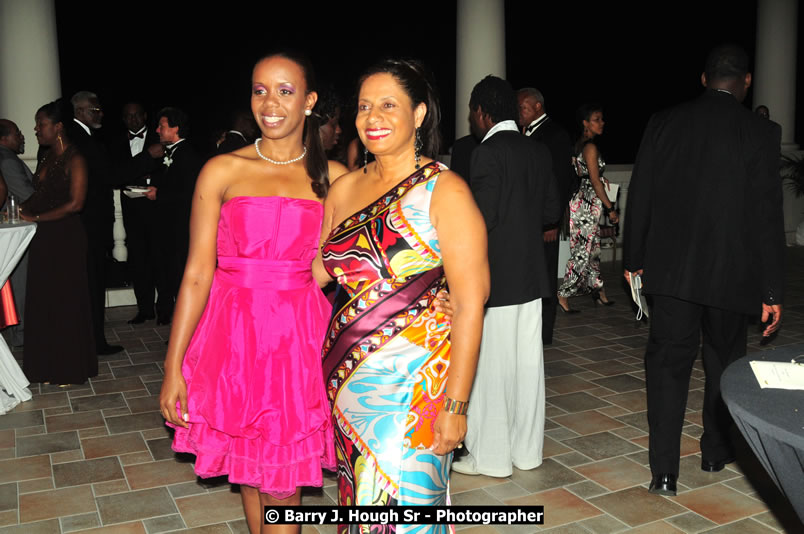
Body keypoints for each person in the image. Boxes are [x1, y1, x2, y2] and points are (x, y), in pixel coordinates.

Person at [158, 51, 348, 534]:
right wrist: (173, 365)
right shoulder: (221, 171)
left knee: (282, 479)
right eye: (260, 90)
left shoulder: (338, 179)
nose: (271, 103)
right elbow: (198, 272)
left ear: (309, 102)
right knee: (249, 462)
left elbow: (380, 253)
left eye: (286, 91)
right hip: (232, 336)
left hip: (296, 342)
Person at [319, 59, 489, 533]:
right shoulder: (345, 187)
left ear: (418, 114)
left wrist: (456, 407)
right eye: (364, 107)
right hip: (349, 381)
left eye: (388, 105)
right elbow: (313, 272)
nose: (372, 117)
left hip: (416, 387)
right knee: (360, 507)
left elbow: (472, 304)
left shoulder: (445, 190)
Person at [623, 44, 784, 496]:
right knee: (723, 363)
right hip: (732, 276)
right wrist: (772, 290)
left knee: (668, 367)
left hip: (672, 275)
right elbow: (768, 217)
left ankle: (664, 473)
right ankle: (715, 452)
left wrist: (634, 260)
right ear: (746, 81)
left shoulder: (664, 122)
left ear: (703, 78)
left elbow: (643, 193)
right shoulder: (761, 132)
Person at [450, 75, 559, 478]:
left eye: (471, 114)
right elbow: (551, 211)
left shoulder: (487, 152)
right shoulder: (538, 150)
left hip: (494, 279)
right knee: (528, 369)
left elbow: (483, 219)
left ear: (482, 112)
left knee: (491, 369)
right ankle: (527, 452)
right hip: (532, 278)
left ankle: (491, 458)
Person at [19, 100, 96, 384]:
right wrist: (17, 209)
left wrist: (35, 216)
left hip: (65, 237)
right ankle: (46, 366)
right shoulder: (47, 156)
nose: (37, 129)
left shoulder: (76, 159)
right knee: (45, 301)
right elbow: (38, 195)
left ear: (58, 127)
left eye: (42, 124)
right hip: (44, 237)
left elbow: (76, 203)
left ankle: (69, 367)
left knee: (65, 301)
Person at [518, 87, 575, 345]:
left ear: (537, 107)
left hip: (546, 222)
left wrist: (552, 221)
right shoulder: (522, 133)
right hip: (527, 221)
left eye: (523, 108)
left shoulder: (556, 135)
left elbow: (561, 181)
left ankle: (544, 334)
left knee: (546, 277)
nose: (519, 113)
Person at [68, 91, 123, 355]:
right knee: (92, 281)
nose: (99, 113)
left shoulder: (83, 137)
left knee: (90, 281)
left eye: (99, 109)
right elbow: (110, 174)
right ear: (80, 112)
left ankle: (91, 339)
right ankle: (95, 341)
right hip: (89, 223)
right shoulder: (81, 140)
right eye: (94, 109)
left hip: (88, 222)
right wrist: (148, 157)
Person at [557, 103, 619, 313]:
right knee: (583, 251)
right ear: (586, 123)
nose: (602, 123)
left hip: (584, 199)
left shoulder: (581, 144)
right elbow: (594, 180)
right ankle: (563, 293)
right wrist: (611, 208)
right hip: (587, 202)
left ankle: (598, 290)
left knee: (592, 250)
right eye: (597, 119)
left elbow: (587, 175)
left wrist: (601, 179)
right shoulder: (590, 147)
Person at [114, 102, 161, 324]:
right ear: (123, 119)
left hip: (156, 208)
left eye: (136, 116)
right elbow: (116, 175)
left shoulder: (160, 138)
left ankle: (165, 310)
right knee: (138, 261)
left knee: (160, 259)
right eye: (128, 116)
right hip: (132, 210)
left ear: (144, 116)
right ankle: (144, 310)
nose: (133, 120)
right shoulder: (116, 143)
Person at [0, 119, 35, 347]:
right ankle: (21, 334)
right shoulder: (6, 160)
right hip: (15, 231)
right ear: (3, 138)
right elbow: (26, 194)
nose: (21, 137)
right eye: (17, 133)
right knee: (20, 282)